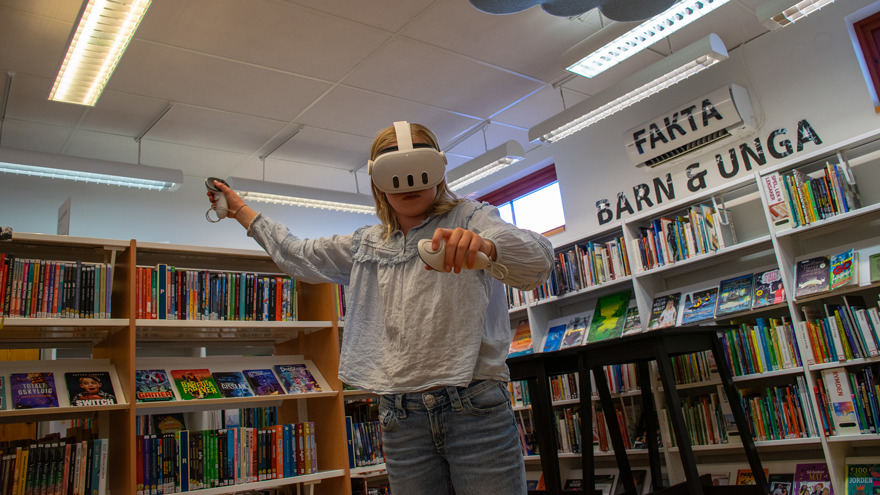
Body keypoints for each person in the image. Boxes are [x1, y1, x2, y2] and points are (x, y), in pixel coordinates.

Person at [207, 121, 553, 494]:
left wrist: (488, 247)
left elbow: (538, 258)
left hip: (475, 408)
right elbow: (297, 254)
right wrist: (241, 211)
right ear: (377, 180)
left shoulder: (471, 218)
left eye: (419, 169)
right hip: (401, 419)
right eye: (394, 171)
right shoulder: (365, 245)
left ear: (438, 168)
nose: (410, 182)